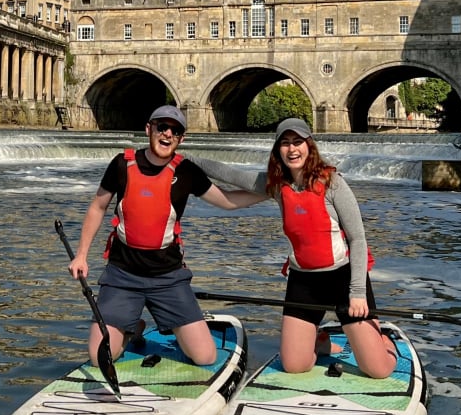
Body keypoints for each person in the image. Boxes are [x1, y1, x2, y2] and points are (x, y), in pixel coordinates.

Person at [194, 118, 398, 379]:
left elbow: (358, 239)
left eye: (298, 142)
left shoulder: (333, 183)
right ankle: (321, 342)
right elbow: (229, 174)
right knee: (294, 365)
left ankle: (386, 343)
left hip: (343, 279)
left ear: (309, 146)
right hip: (304, 282)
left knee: (377, 370)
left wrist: (357, 292)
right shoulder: (278, 185)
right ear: (278, 149)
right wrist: (183, 158)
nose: (292, 149)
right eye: (285, 143)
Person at [68, 105, 260, 367]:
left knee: (205, 357)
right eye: (162, 127)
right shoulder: (121, 165)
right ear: (149, 129)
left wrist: (270, 192)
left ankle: (158, 323)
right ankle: (132, 326)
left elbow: (227, 201)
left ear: (182, 138)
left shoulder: (187, 172)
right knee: (100, 356)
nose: (168, 133)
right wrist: (81, 256)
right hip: (122, 275)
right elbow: (97, 207)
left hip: (168, 277)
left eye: (175, 130)